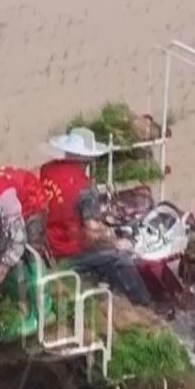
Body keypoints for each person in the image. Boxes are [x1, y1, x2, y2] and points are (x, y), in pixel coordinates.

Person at [41, 128, 153, 306]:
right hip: (70, 252)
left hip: (48, 246)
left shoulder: (46, 170)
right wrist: (117, 242)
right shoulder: (84, 186)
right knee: (121, 259)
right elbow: (92, 232)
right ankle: (145, 307)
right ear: (88, 157)